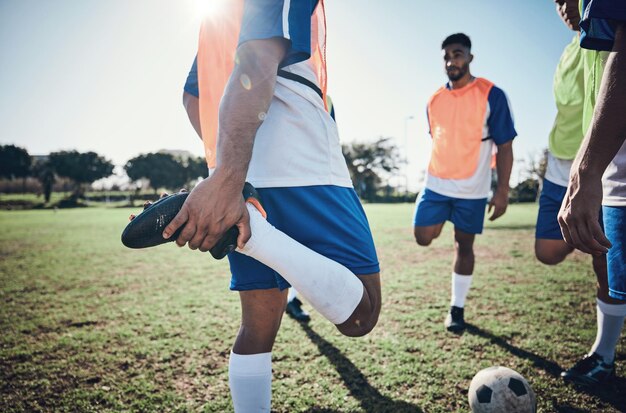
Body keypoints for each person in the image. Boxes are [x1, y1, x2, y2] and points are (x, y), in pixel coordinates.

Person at [176, 1, 381, 411]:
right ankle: (255, 233)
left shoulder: (215, 17)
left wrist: (224, 169)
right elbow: (257, 58)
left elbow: (191, 96)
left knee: (257, 329)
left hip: (246, 170)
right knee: (362, 314)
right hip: (301, 158)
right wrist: (228, 178)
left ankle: (251, 230)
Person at [413, 33, 516, 332]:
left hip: (473, 188)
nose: (451, 61)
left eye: (457, 54)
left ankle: (456, 308)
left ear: (470, 57)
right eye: (446, 56)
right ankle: (443, 215)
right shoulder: (434, 99)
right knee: (422, 236)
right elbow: (437, 138)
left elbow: (505, 146)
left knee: (464, 246)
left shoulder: (491, 94)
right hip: (436, 184)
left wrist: (502, 190)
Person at [557, 0, 626, 385]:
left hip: (611, 163)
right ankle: (604, 354)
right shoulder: (581, 40)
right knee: (609, 266)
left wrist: (586, 168)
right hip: (613, 164)